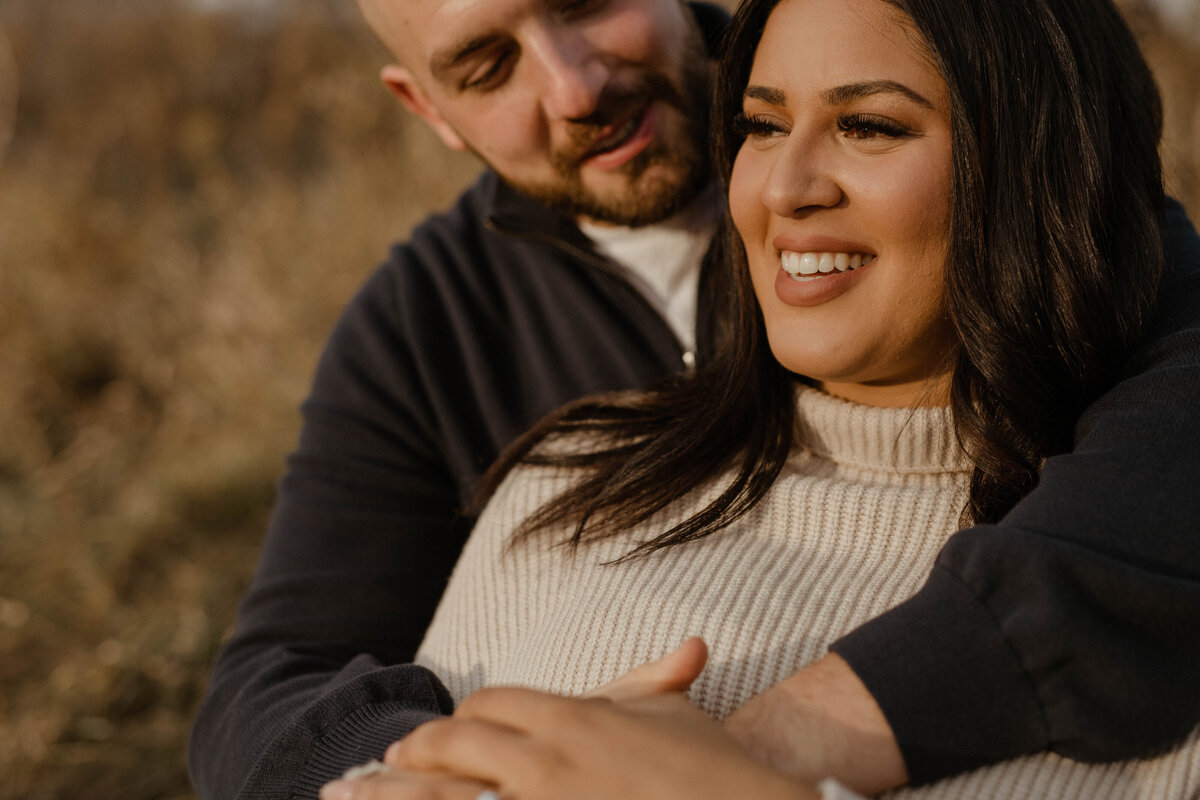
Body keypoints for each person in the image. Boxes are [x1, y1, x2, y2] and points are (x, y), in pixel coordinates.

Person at [187, 0, 1200, 797]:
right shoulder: (440, 327)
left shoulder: (1028, 183)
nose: (576, 84)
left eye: (586, 0)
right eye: (487, 66)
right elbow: (269, 680)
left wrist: (761, 749)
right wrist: (467, 772)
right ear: (429, 110)